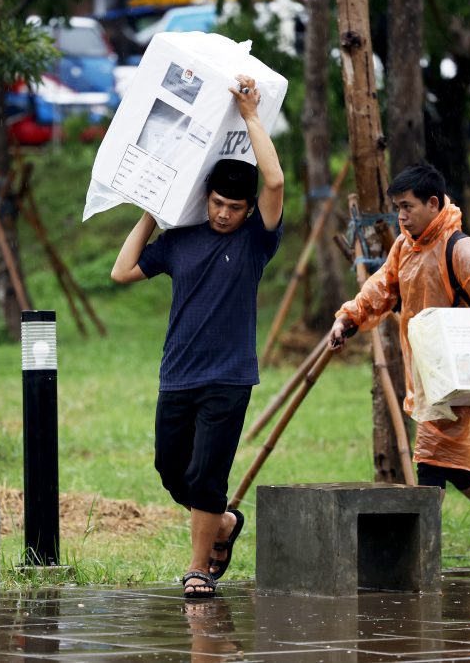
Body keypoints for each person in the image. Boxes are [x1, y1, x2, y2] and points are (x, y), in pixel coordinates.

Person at [111, 74, 284, 598]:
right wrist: (151, 210)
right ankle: (226, 525)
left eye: (234, 208)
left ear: (248, 211)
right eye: (216, 204)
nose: (224, 214)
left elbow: (273, 183)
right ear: (205, 198)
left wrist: (251, 116)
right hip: (178, 373)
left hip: (229, 377)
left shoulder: (257, 242)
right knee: (171, 469)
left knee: (208, 475)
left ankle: (198, 568)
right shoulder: (180, 240)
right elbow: (122, 271)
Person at [328, 163, 470, 570]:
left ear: (434, 203)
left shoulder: (463, 249)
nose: (401, 216)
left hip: (467, 372)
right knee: (448, 459)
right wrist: (348, 318)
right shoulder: (406, 247)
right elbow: (381, 286)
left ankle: (415, 553)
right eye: (397, 208)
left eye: (407, 207)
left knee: (430, 459)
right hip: (431, 372)